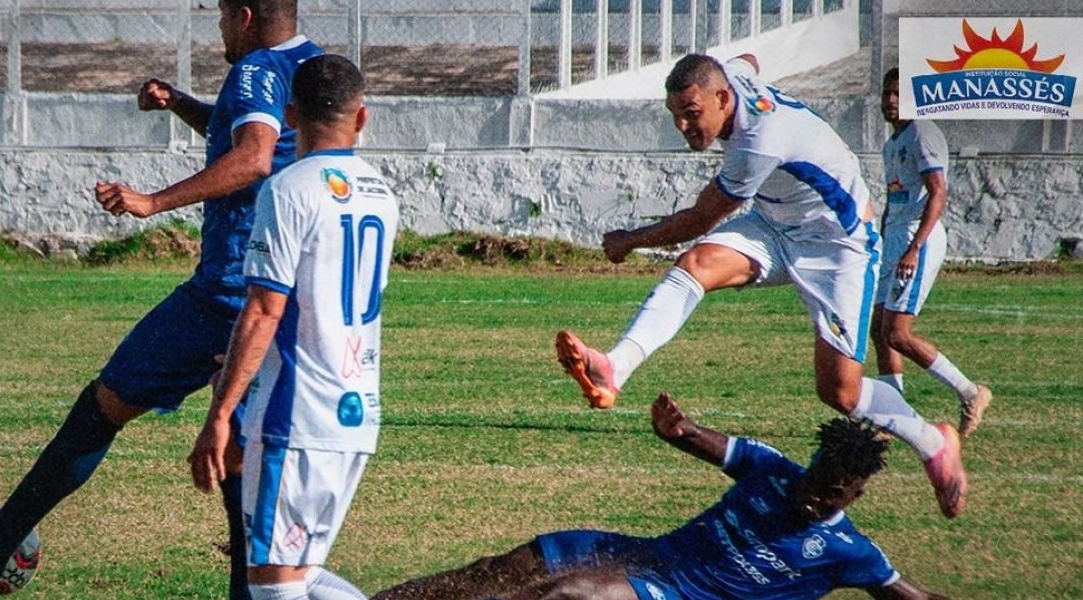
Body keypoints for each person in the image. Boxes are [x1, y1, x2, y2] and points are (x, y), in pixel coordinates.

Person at [0, 1, 321, 597]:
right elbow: (259, 140)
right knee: (233, 446)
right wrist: (181, 104)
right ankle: (246, 589)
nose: (221, 30)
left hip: (225, 291)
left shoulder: (255, 67)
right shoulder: (314, 65)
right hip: (277, 287)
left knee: (102, 407)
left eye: (223, 18)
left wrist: (151, 201)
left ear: (247, 15)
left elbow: (253, 156)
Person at [554, 54, 967, 519]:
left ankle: (936, 444)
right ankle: (615, 367)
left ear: (723, 99)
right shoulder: (731, 80)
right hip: (773, 225)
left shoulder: (759, 140)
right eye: (676, 116)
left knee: (841, 394)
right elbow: (746, 60)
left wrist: (630, 240)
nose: (685, 126)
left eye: (692, 113)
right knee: (696, 264)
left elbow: (700, 217)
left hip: (838, 246)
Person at [372, 392, 952, 600]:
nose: (812, 501)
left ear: (854, 493)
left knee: (568, 596)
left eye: (829, 498)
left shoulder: (851, 552)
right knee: (498, 570)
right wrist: (677, 430)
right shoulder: (774, 472)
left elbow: (917, 598)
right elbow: (703, 439)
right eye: (814, 483)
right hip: (647, 558)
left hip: (677, 594)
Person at [189, 54, 398, 600]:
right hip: (356, 412)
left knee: (273, 583)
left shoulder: (287, 191)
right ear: (361, 117)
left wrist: (220, 413)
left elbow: (264, 310)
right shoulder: (381, 192)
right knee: (296, 574)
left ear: (287, 115)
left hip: (297, 418)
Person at [872, 67, 991, 437]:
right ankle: (894, 411)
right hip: (894, 240)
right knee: (879, 329)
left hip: (915, 241)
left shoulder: (923, 134)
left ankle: (970, 392)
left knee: (898, 334)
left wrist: (914, 247)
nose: (890, 101)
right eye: (886, 94)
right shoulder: (894, 142)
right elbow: (895, 197)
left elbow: (938, 192)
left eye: (898, 94)